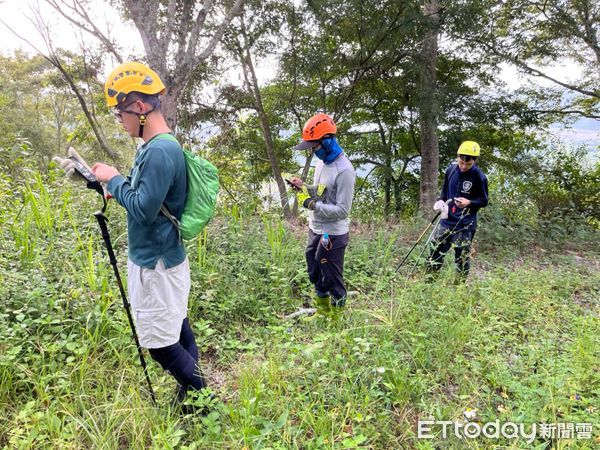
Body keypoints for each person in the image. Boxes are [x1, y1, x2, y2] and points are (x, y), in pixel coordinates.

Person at [92, 61, 208, 410]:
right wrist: (121, 187)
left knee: (159, 344)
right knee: (177, 324)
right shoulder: (158, 145)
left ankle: (205, 397)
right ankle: (192, 392)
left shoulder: (158, 149)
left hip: (155, 264)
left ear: (140, 107)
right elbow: (148, 199)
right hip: (164, 256)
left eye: (120, 113)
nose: (120, 120)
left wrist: (114, 179)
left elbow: (143, 210)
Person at [289, 113, 356, 318]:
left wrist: (313, 205)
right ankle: (322, 312)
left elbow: (343, 210)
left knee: (332, 276)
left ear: (327, 141)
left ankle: (335, 322)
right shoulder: (322, 163)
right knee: (315, 269)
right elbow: (321, 191)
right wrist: (304, 187)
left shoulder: (344, 170)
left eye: (314, 146)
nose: (312, 150)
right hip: (315, 227)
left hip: (333, 233)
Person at [426, 140, 489, 282]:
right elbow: (445, 190)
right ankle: (429, 282)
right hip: (446, 220)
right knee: (435, 252)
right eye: (461, 162)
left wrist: (469, 203)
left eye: (468, 164)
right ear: (458, 157)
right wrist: (441, 201)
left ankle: (458, 288)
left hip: (465, 224)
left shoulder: (479, 177)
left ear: (475, 160)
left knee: (461, 258)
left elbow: (484, 201)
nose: (463, 166)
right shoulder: (451, 170)